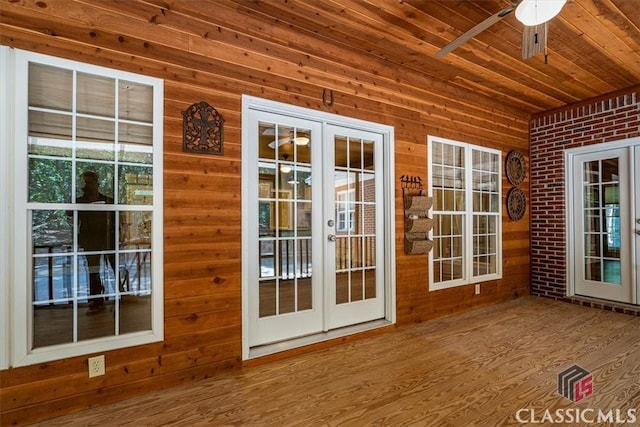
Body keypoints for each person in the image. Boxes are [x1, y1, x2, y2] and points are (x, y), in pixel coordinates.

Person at [76, 171, 115, 315]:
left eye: (90, 182)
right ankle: (96, 301)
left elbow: (117, 221)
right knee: (93, 271)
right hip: (90, 241)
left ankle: (124, 294)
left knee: (116, 267)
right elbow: (70, 218)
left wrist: (120, 236)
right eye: (85, 183)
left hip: (108, 240)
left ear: (97, 183)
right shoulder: (79, 202)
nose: (88, 185)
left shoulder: (108, 200)